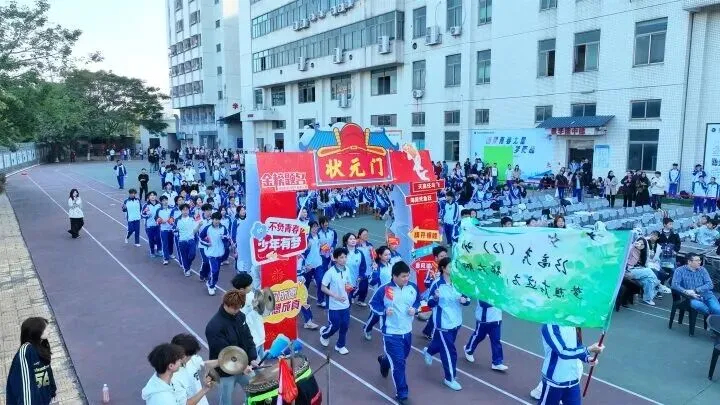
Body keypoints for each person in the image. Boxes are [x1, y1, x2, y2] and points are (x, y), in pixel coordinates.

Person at [369, 261, 420, 405]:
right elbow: (373, 304)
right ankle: (402, 394)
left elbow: (419, 301)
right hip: (391, 333)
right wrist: (384, 311)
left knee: (402, 358)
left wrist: (415, 309)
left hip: (407, 331)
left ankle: (384, 360)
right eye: (403, 276)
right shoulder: (384, 289)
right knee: (399, 364)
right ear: (394, 276)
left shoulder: (412, 287)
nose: (406, 278)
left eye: (408, 275)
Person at [423, 257, 470, 391]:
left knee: (441, 344)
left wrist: (464, 300)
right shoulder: (437, 284)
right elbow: (429, 303)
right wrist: (436, 297)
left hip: (456, 321)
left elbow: (467, 299)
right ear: (443, 268)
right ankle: (450, 378)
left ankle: (429, 351)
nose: (453, 269)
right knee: (449, 351)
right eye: (450, 267)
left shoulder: (459, 283)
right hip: (443, 323)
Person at [205, 290, 258, 405]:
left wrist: (252, 357)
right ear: (226, 304)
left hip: (243, 365)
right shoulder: (214, 327)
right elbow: (226, 353)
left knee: (256, 392)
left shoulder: (240, 316)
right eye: (235, 308)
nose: (237, 310)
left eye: (240, 307)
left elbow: (248, 338)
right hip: (225, 371)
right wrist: (243, 367)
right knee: (226, 401)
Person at [535, 324, 604, 405]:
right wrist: (588, 349)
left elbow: (577, 346)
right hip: (555, 382)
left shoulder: (573, 322)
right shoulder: (549, 326)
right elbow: (562, 352)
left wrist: (587, 358)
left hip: (573, 380)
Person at [5, 317, 57, 405]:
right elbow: (25, 386)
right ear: (36, 332)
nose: (49, 330)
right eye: (45, 328)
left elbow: (47, 371)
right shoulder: (26, 351)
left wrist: (52, 391)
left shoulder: (42, 345)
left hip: (43, 398)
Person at [319, 247, 352, 354]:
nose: (344, 259)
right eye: (341, 257)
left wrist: (349, 287)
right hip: (334, 305)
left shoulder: (347, 269)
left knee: (344, 326)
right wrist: (335, 296)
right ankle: (324, 335)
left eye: (345, 257)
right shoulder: (330, 272)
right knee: (335, 326)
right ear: (335, 259)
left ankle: (340, 345)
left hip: (345, 304)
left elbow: (348, 283)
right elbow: (323, 287)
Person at [170, 334, 219, 405]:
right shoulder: (172, 378)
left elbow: (204, 364)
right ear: (183, 356)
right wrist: (205, 388)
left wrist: (224, 361)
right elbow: (185, 404)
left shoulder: (190, 359)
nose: (192, 357)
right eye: (191, 355)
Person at [464, 298, 508, 372]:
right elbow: (484, 303)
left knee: (496, 340)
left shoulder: (499, 292)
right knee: (479, 336)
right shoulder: (483, 291)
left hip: (496, 320)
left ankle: (497, 363)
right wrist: (498, 300)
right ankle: (468, 350)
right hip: (483, 320)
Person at [231, 273, 267, 358]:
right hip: (251, 337)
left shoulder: (250, 294)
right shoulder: (236, 301)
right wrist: (254, 308)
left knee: (261, 358)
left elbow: (261, 310)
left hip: (259, 331)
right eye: (250, 285)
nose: (252, 286)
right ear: (242, 289)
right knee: (255, 361)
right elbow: (242, 319)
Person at [199, 211, 229, 296]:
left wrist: (225, 238)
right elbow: (200, 238)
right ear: (212, 219)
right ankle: (211, 286)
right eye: (215, 219)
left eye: (218, 219)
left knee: (216, 271)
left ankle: (210, 282)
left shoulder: (223, 228)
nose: (217, 221)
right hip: (211, 254)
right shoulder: (207, 228)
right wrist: (207, 243)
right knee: (214, 270)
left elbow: (227, 238)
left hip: (220, 253)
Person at [175, 203, 203, 277]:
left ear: (189, 210)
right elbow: (174, 230)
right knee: (184, 256)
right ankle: (187, 269)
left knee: (192, 254)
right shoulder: (177, 220)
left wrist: (199, 225)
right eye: (183, 210)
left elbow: (195, 231)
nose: (185, 211)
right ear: (181, 211)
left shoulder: (192, 218)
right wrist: (176, 231)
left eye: (187, 210)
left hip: (191, 240)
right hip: (182, 241)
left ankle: (188, 264)